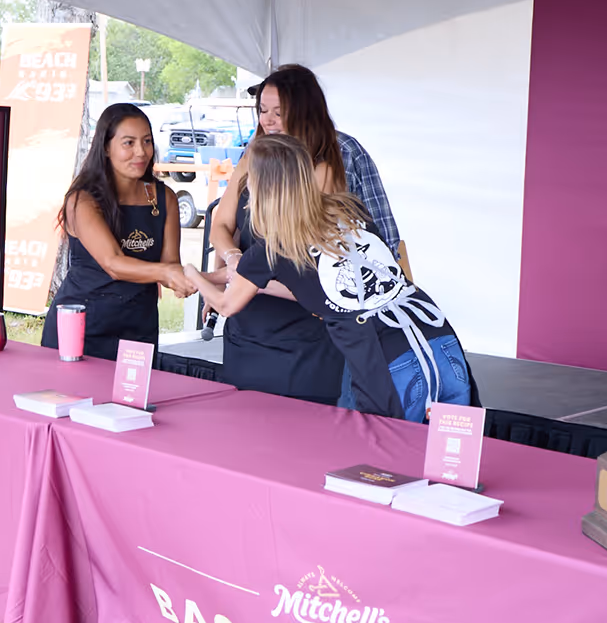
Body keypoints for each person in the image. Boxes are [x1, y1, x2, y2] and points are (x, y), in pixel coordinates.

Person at [188, 133, 468, 423]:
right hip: (436, 333)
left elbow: (225, 305)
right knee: (448, 454)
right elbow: (322, 286)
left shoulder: (273, 247)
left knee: (382, 460)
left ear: (259, 186)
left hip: (385, 358)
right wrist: (252, 286)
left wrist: (190, 273)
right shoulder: (347, 209)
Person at [206, 63, 400, 403]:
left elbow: (379, 246)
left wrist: (225, 276)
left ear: (305, 111)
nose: (267, 120)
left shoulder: (335, 159)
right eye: (263, 110)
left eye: (279, 112)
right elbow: (221, 225)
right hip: (249, 327)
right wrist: (233, 257)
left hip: (310, 334)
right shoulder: (255, 153)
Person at [40, 103, 194, 360]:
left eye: (146, 141)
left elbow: (170, 266)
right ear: (105, 147)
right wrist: (167, 272)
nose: (141, 152)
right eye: (128, 143)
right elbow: (113, 263)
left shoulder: (164, 197)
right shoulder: (83, 200)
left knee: (131, 401)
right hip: (82, 328)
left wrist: (191, 280)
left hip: (139, 328)